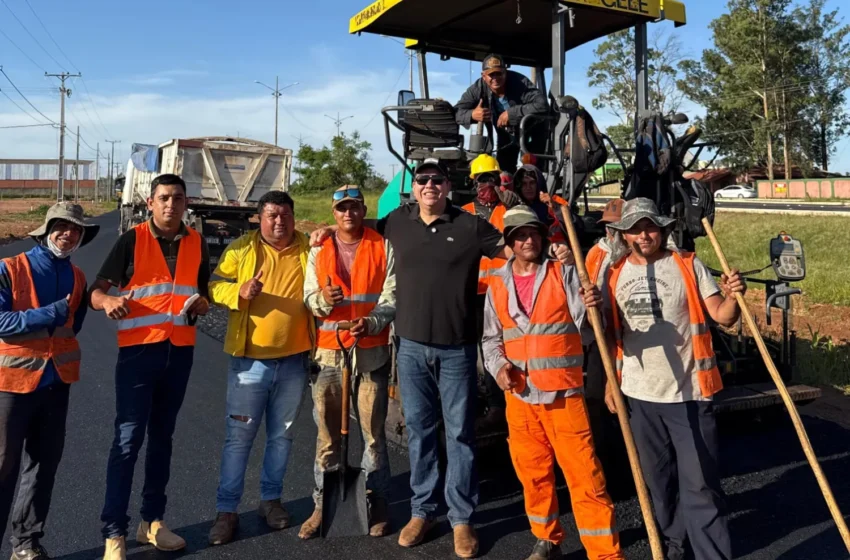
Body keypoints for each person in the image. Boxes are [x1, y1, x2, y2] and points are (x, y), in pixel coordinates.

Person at [310, 158, 574, 558]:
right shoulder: (397, 222)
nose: (429, 185)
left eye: (437, 179)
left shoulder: (469, 225)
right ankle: (423, 511)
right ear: (414, 188)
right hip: (412, 347)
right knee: (419, 431)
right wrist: (327, 229)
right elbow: (358, 232)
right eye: (422, 180)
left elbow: (512, 249)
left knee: (461, 435)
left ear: (449, 186)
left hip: (458, 348)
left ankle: (462, 519)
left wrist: (550, 249)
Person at [603, 198, 745, 560]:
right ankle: (674, 547)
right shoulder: (614, 273)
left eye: (650, 226)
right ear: (624, 235)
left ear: (663, 229)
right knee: (659, 485)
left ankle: (712, 555)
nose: (644, 234)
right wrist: (609, 383)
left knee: (700, 486)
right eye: (635, 228)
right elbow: (607, 335)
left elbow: (723, 316)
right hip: (639, 397)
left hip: (689, 395)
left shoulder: (687, 265)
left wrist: (733, 298)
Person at [482, 205, 624, 560]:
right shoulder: (497, 282)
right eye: (519, 235)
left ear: (543, 237)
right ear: (510, 242)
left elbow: (591, 330)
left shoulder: (565, 275)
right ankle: (547, 538)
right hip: (520, 397)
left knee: (586, 478)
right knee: (533, 475)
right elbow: (490, 339)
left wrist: (594, 308)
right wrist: (499, 368)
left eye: (532, 233)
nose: (527, 240)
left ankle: (605, 553)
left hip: (564, 395)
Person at [90, 174, 211, 560]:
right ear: (150, 203)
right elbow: (97, 289)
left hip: (179, 354)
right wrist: (107, 303)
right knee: (127, 442)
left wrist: (203, 304)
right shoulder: (133, 239)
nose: (170, 205)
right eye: (163, 198)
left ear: (186, 203)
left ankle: (152, 522)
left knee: (163, 439)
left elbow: (201, 292)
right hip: (139, 355)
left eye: (177, 198)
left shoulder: (198, 243)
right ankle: (115, 533)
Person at [206, 191, 314, 546]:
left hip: (295, 361)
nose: (279, 221)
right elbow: (214, 286)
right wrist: (240, 291)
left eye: (285, 215)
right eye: (271, 216)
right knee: (239, 439)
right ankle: (227, 511)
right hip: (250, 363)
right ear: (259, 218)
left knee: (281, 437)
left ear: (294, 217)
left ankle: (270, 501)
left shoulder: (309, 248)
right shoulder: (240, 250)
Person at [0, 202, 97, 560]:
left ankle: (25, 543)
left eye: (75, 230)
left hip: (56, 385)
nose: (68, 234)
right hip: (11, 385)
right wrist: (45, 314)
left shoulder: (78, 278)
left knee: (43, 466)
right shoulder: (10, 268)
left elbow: (74, 326)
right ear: (45, 229)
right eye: (61, 226)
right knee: (3, 467)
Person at [298, 186, 396, 539]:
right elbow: (309, 296)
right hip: (329, 350)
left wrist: (372, 321)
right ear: (334, 212)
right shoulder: (319, 247)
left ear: (363, 209)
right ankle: (322, 504)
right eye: (342, 209)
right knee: (327, 436)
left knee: (373, 435)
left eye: (354, 207)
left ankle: (376, 501)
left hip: (371, 348)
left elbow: (391, 293)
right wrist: (323, 300)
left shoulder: (381, 245)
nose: (348, 214)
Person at [462, 154, 520, 430]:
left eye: (492, 179)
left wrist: (517, 206)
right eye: (482, 179)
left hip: (502, 291)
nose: (487, 184)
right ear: (473, 182)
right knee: (467, 352)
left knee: (498, 349)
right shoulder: (462, 213)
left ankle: (499, 405)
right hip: (470, 294)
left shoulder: (509, 211)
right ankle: (471, 403)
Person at [455, 54, 549, 174]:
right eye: (491, 74)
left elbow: (542, 105)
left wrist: (512, 113)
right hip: (505, 136)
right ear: (483, 76)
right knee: (504, 171)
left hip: (532, 134)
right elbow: (457, 111)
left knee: (533, 172)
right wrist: (472, 115)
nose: (495, 78)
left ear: (505, 72)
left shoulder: (520, 83)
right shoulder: (477, 88)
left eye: (499, 73)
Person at [513, 165, 566, 243]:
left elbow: (577, 226)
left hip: (553, 250)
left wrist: (555, 208)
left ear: (539, 184)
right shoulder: (514, 207)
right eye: (524, 184)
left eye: (532, 183)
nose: (528, 187)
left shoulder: (555, 202)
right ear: (519, 187)